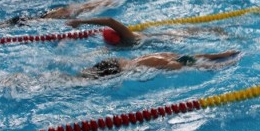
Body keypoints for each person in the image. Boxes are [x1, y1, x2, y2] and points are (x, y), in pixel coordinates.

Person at [80, 49, 239, 78]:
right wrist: (217, 65)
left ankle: (219, 60)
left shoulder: (138, 61)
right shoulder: (143, 62)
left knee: (182, 59)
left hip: (170, 60)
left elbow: (184, 59)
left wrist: (219, 56)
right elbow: (182, 62)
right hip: (166, 62)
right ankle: (219, 62)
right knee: (183, 60)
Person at [67, 17, 225, 46]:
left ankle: (216, 30)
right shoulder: (123, 42)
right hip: (157, 38)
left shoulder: (128, 38)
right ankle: (214, 30)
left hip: (166, 38)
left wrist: (81, 21)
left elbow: (110, 21)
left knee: (192, 33)